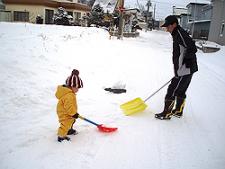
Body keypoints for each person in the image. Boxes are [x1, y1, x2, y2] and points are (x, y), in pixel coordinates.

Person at [155, 15, 198, 120]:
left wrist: (186, 62)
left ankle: (166, 113)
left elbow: (192, 47)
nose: (167, 29)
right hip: (186, 68)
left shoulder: (179, 33)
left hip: (185, 68)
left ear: (174, 24)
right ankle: (178, 111)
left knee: (172, 90)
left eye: (168, 26)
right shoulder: (177, 33)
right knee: (180, 90)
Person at [55, 69, 83, 142]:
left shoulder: (69, 94)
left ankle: (68, 130)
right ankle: (61, 136)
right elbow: (69, 106)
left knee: (71, 121)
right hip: (65, 113)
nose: (78, 90)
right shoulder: (69, 95)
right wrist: (73, 113)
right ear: (71, 86)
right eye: (77, 88)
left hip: (68, 112)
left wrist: (73, 114)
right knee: (65, 124)